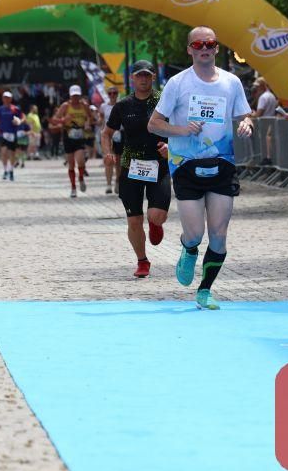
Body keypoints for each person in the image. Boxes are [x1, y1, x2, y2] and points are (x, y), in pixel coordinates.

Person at [148, 26, 253, 310]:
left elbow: (245, 115)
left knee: (219, 232)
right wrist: (182, 130)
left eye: (209, 44)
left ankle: (205, 290)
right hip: (186, 165)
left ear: (217, 48)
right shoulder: (177, 83)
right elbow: (154, 124)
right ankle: (189, 247)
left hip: (222, 163)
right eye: (198, 44)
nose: (204, 48)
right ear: (190, 50)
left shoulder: (231, 82)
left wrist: (246, 124)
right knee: (195, 233)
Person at [103, 61, 170, 278]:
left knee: (157, 215)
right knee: (134, 220)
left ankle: (155, 224)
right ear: (132, 78)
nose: (143, 79)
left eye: (147, 75)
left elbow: (179, 128)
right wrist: (108, 152)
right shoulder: (123, 105)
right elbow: (106, 133)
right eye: (139, 75)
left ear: (153, 77)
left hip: (159, 165)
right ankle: (142, 261)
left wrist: (170, 147)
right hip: (131, 166)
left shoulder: (164, 101)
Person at [56, 85, 92, 197]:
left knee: (80, 160)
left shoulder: (84, 105)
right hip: (68, 136)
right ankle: (73, 188)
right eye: (73, 96)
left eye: (77, 95)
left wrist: (87, 123)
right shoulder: (65, 106)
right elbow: (55, 119)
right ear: (70, 95)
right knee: (71, 164)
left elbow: (90, 117)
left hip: (80, 136)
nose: (75, 98)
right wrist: (64, 120)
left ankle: (81, 178)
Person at [0, 91, 24, 181]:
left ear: (11, 99)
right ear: (2, 99)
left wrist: (19, 121)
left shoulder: (15, 109)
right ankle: (5, 170)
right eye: (5, 97)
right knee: (3, 152)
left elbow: (22, 117)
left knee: (12, 153)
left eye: (8, 98)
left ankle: (11, 170)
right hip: (2, 133)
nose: (6, 99)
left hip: (12, 133)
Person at [100, 86, 121, 194]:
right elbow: (101, 120)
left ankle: (117, 182)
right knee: (109, 159)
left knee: (119, 161)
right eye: (110, 93)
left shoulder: (121, 105)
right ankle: (108, 184)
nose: (112, 95)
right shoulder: (103, 106)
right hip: (108, 135)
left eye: (115, 93)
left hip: (120, 134)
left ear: (117, 94)